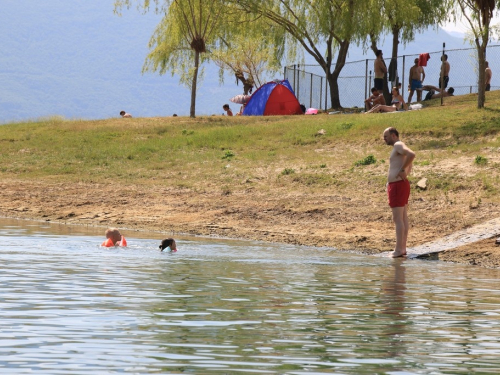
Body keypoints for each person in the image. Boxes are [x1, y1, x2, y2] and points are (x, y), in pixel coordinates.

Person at [383, 127, 415, 258]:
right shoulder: (399, 147)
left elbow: (412, 155)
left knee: (398, 219)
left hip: (397, 186)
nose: (384, 139)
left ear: (393, 135)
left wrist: (402, 171)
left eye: (386, 136)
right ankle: (402, 248)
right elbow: (410, 162)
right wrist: (404, 172)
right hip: (399, 184)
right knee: (403, 218)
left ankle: (398, 250)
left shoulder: (398, 145)